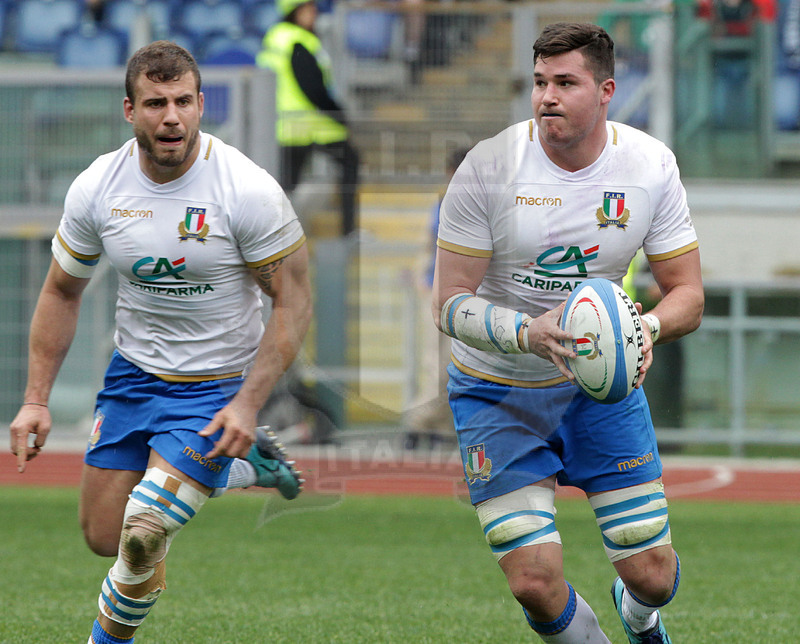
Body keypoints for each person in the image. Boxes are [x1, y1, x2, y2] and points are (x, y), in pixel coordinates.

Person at [8, 41, 312, 644]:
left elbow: (294, 301)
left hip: (217, 388)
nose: (170, 117)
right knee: (103, 536)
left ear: (201, 104)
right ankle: (238, 469)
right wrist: (36, 398)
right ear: (130, 110)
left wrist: (248, 404)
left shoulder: (245, 190)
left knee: (143, 531)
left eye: (182, 102)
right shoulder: (99, 186)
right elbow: (61, 292)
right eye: (155, 103)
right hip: (133, 376)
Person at [433, 23, 703, 643]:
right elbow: (447, 302)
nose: (547, 96)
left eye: (565, 82)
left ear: (605, 90)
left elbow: (687, 291)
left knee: (653, 575)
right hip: (495, 388)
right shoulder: (489, 169)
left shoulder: (650, 165)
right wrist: (529, 333)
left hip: (600, 389)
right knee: (533, 579)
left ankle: (640, 618)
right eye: (539, 83)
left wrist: (644, 329)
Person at [257, 0, 360, 236]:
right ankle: (348, 232)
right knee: (350, 163)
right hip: (312, 125)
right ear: (295, 11)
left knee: (286, 185)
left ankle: (273, 236)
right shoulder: (298, 41)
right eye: (308, 9)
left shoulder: (275, 37)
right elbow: (312, 87)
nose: (314, 14)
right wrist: (338, 114)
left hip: (288, 126)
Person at [404, 146, 470, 450]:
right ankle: (420, 423)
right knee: (436, 363)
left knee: (450, 363)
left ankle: (435, 426)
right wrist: (422, 277)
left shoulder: (475, 206)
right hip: (437, 292)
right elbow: (430, 244)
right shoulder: (443, 205)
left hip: (464, 295)